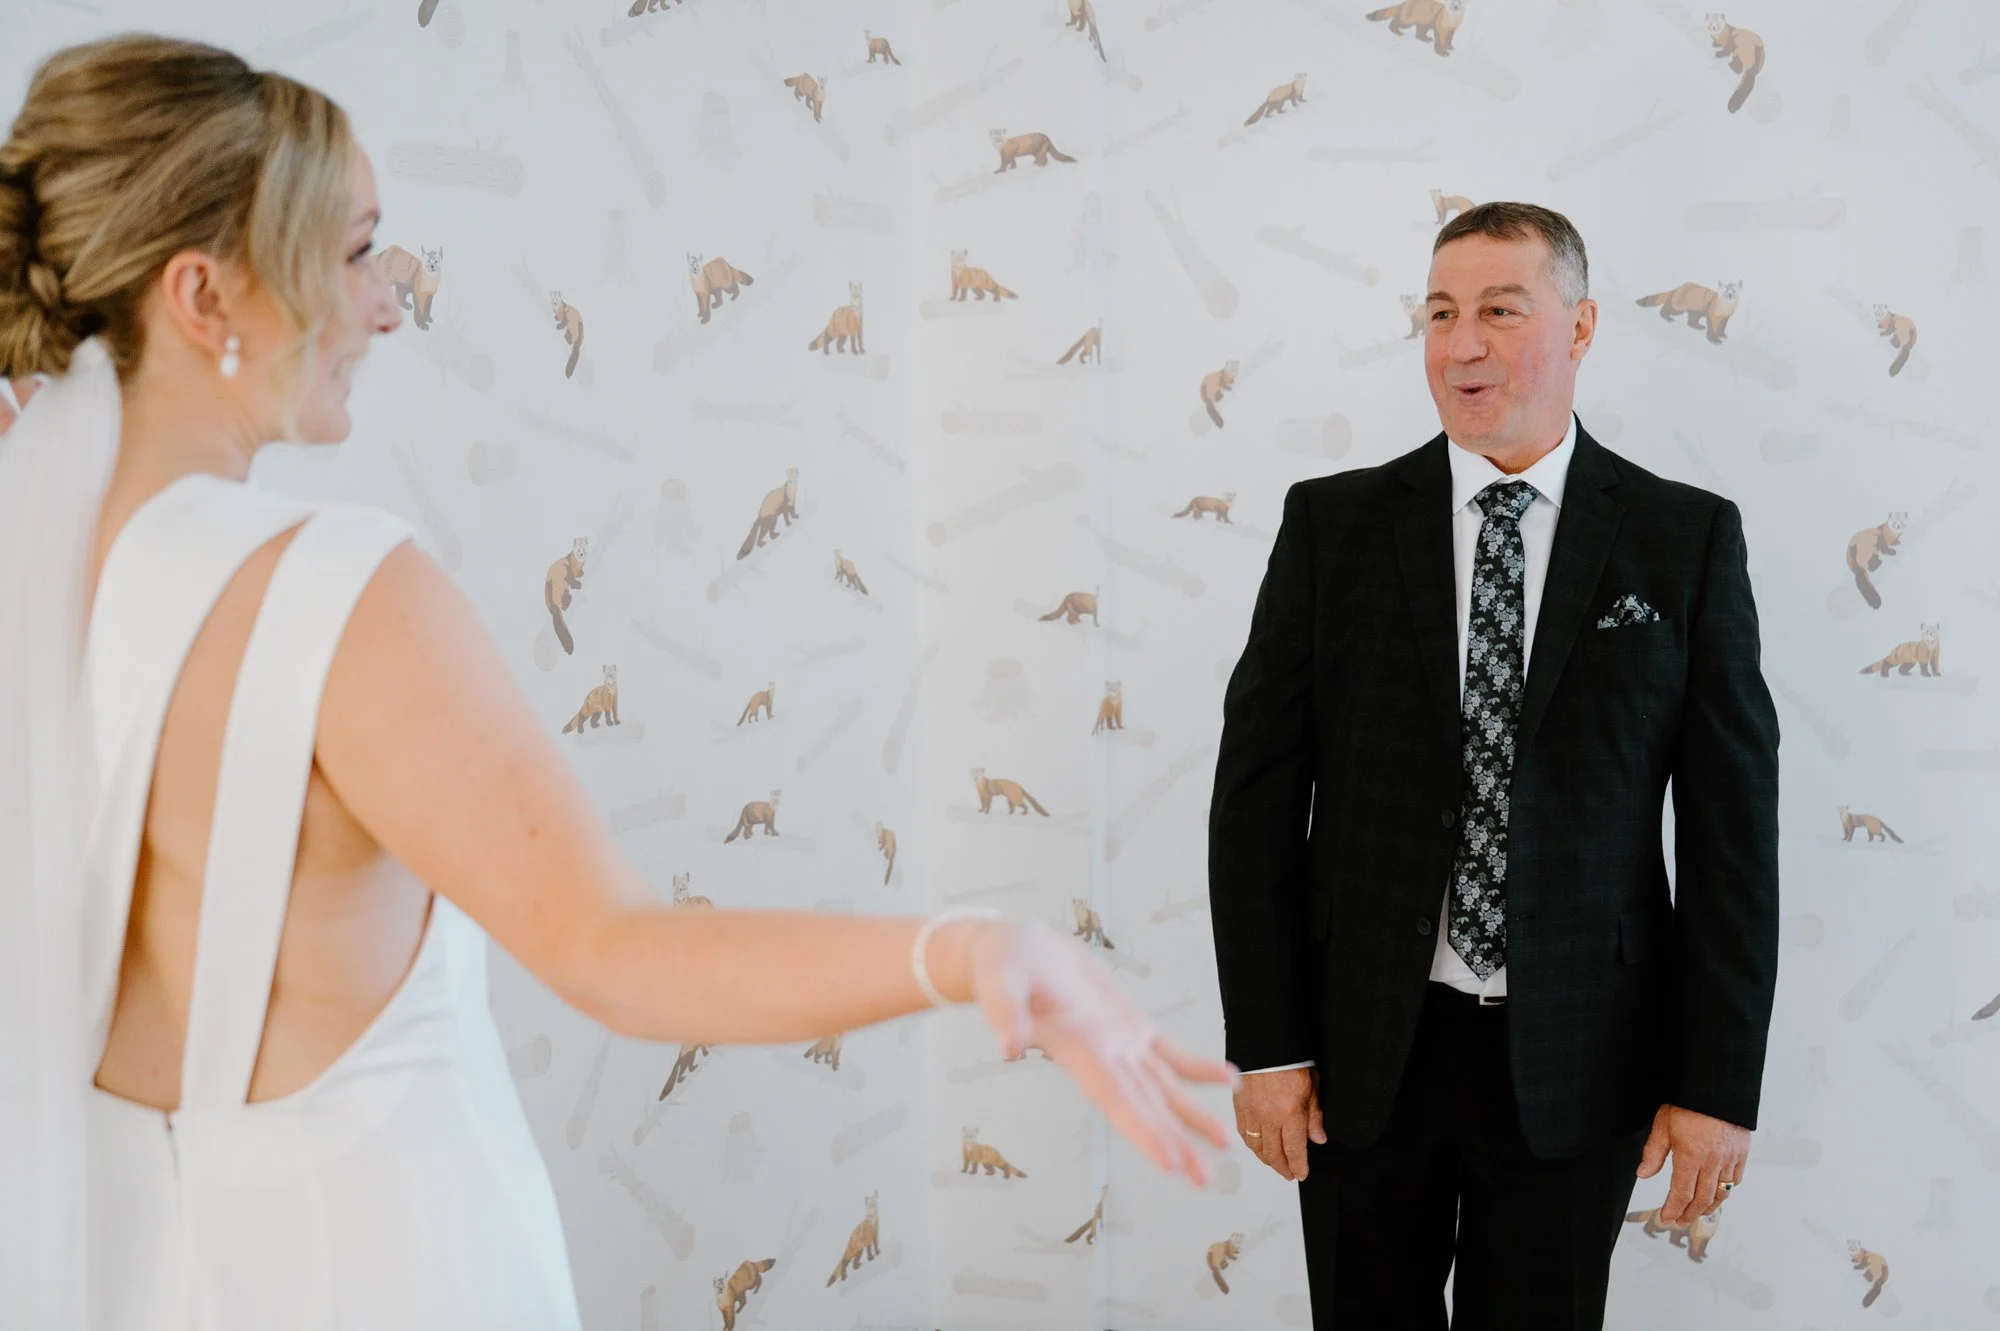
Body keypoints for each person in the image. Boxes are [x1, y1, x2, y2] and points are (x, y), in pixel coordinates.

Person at [0, 34, 1236, 1329]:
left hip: (134, 1276)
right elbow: (614, 950)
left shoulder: (38, 580)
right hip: (381, 1269)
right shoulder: (335, 590)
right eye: (356, 251)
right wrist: (969, 943)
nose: (388, 303)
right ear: (203, 297)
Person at [1207, 201, 1779, 1327]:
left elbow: (1730, 833)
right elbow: (1256, 796)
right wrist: (1266, 1044)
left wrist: (1714, 1082)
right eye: (1439, 312)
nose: (1461, 343)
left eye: (1498, 310)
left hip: (1581, 1057)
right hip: (1365, 1054)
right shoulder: (1335, 525)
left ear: (1578, 327)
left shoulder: (1682, 537)